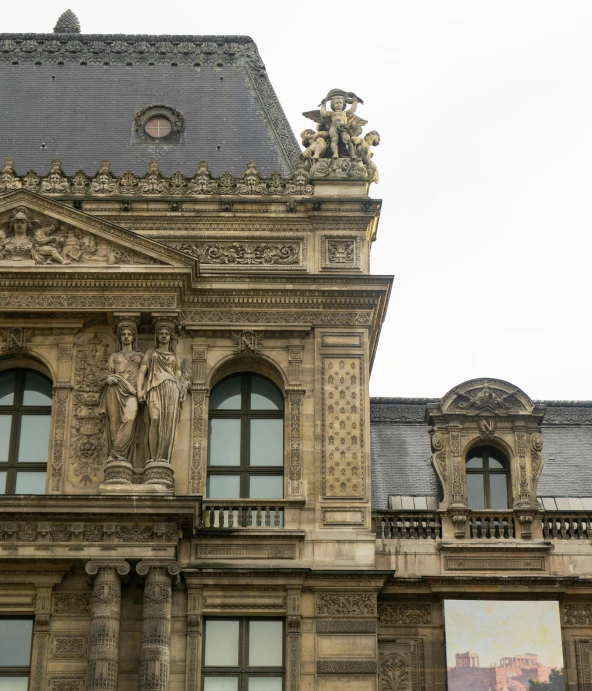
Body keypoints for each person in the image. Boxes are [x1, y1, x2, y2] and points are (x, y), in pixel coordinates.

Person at [137, 320, 186, 463]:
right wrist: (140, 390)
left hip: (171, 389)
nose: (164, 336)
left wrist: (181, 388)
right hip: (154, 388)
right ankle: (152, 457)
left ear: (171, 337)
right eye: (161, 334)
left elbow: (178, 375)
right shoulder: (150, 353)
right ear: (157, 337)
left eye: (167, 334)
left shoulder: (175, 357)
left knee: (168, 424)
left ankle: (162, 457)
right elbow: (142, 372)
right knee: (155, 419)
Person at [103, 320, 143, 465]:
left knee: (129, 418)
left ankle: (117, 453)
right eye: (123, 334)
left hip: (132, 392)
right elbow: (107, 374)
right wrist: (109, 379)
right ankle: (118, 458)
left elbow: (146, 375)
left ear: (133, 337)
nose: (126, 337)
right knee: (114, 422)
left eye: (129, 334)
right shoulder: (114, 356)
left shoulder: (141, 356)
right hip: (114, 390)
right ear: (120, 338)